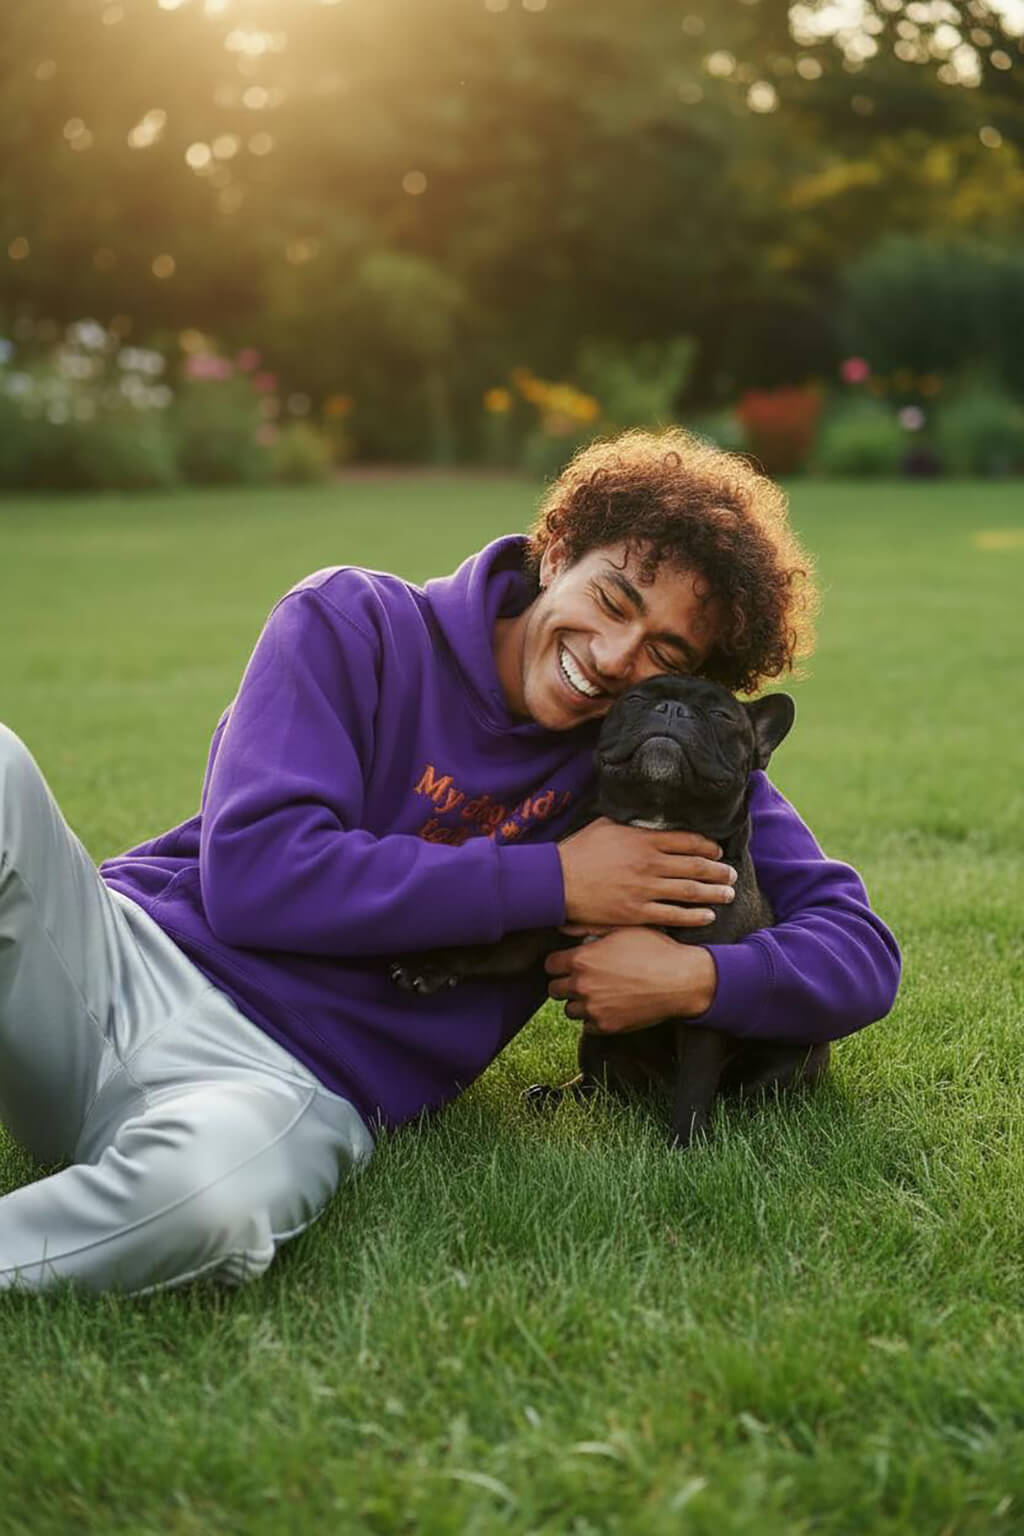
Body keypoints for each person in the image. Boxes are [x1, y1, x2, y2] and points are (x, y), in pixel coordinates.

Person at [0, 428, 900, 1294]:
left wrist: (693, 980)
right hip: (112, 967)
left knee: (208, 1208)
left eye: (665, 653)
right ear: (556, 552)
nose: (617, 657)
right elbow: (254, 875)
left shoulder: (651, 769)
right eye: (614, 598)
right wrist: (560, 879)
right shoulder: (355, 620)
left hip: (289, 1087)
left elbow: (861, 953)